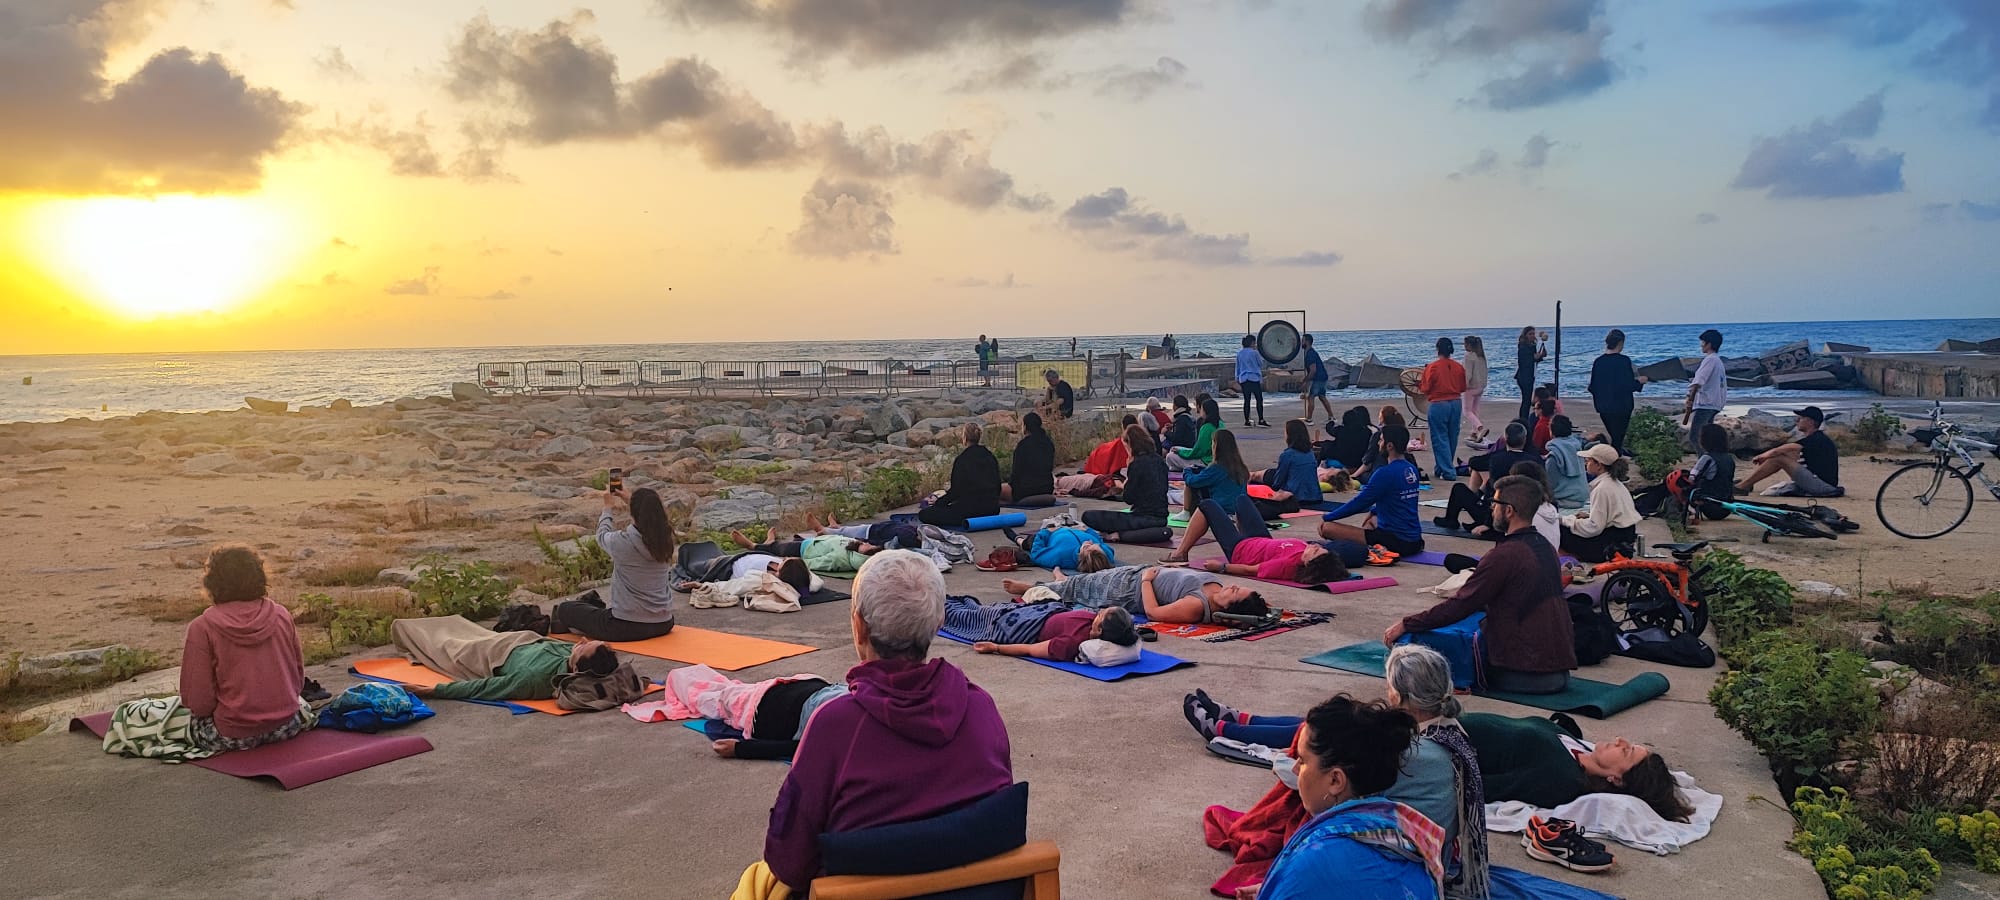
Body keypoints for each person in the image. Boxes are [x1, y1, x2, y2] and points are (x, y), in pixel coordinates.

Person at [749, 551, 1013, 894]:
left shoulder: (834, 727)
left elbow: (788, 861)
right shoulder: (981, 709)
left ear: (859, 626)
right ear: (937, 622)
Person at [1186, 645, 1489, 898]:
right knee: (1316, 733)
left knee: (1310, 742)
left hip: (1402, 851)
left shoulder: (1320, 858)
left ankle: (1228, 726)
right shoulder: (1451, 735)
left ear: (1397, 696)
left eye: (1388, 687)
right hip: (1421, 852)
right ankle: (1235, 722)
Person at [1390, 475, 1576, 694]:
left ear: (1509, 511)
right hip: (1559, 671)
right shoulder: (1545, 546)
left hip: (1524, 673)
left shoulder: (1506, 554)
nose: (1491, 510)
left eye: (1494, 504)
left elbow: (1459, 606)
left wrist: (1406, 624)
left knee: (1411, 642)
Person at [1249, 696, 1446, 900]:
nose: (1295, 768)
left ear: (1335, 780)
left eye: (1303, 760)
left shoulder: (1314, 862)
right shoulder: (1403, 831)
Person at [180, 545, 314, 752]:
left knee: (180, 720)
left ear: (212, 582)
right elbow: (297, 679)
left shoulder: (202, 627)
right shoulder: (281, 615)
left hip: (231, 735)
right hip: (287, 726)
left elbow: (198, 703)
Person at [1462, 712, 1694, 822]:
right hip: (1446, 718)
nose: (1620, 740)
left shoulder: (1563, 779)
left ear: (1616, 778)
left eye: (1626, 751)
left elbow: (1487, 787)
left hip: (1438, 740)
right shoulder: (1580, 748)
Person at [553, 487, 678, 641]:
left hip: (625, 625)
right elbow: (650, 518)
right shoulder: (666, 541)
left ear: (635, 513)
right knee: (591, 609)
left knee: (565, 609)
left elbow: (601, 535)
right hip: (664, 622)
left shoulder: (624, 542)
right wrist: (630, 501)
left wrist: (607, 508)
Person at [397, 617, 619, 702]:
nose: (579, 641)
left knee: (437, 640)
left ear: (577, 668)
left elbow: (485, 687)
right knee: (458, 623)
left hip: (489, 653)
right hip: (513, 640)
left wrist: (432, 691)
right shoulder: (572, 657)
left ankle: (407, 628)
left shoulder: (534, 679)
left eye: (581, 647)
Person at [999, 565, 1267, 625]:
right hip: (1137, 575)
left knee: (1084, 590)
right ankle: (1061, 581)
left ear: (1229, 611)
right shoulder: (1217, 592)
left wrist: (1147, 581)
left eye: (1234, 594)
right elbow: (1260, 608)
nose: (1231, 588)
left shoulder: (1195, 606)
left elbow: (1153, 613)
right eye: (1236, 586)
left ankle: (1031, 587)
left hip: (1132, 588)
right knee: (1085, 582)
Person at [1169, 494, 1351, 582]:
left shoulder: (1286, 565)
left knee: (1207, 505)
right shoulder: (1305, 552)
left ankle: (1180, 553)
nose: (1314, 546)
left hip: (1240, 549)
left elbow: (1251, 570)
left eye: (1315, 551)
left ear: (1307, 564)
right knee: (1241, 499)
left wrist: (1222, 567)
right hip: (1262, 540)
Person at [690, 671, 850, 762]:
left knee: (703, 695)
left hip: (767, 709)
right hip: (801, 687)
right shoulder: (869, 695)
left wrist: (740, 749)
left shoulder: (852, 733)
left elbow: (805, 748)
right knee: (713, 691)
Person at [1318, 424, 1425, 557]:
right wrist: (1374, 511)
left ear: (1389, 446)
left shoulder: (1384, 473)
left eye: (1381, 440)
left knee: (1326, 528)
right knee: (1372, 518)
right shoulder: (1411, 469)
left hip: (1396, 542)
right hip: (1415, 540)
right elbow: (1399, 500)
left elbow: (1360, 503)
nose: (1379, 443)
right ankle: (1369, 541)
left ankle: (1371, 545)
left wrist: (1328, 517)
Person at [945, 597, 1140, 662]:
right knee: (978, 607)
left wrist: (996, 647)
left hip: (1022, 626)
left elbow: (1030, 649)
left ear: (1099, 631)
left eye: (1100, 616)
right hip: (1039, 611)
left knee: (968, 618)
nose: (1098, 612)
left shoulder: (1070, 643)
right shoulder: (1094, 624)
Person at [1434, 422, 1533, 533]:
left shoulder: (1499, 459)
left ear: (1505, 438)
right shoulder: (1534, 460)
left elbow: (1494, 491)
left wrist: (1488, 523)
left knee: (1459, 489)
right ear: (1524, 439)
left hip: (1498, 514)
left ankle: (1451, 519)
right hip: (1525, 514)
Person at [1082, 425, 1171, 540]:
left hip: (1142, 517)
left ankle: (1122, 535)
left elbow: (1128, 498)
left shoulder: (1136, 464)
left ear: (1130, 445)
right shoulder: (1159, 460)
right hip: (1162, 516)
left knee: (1089, 516)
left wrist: (1129, 473)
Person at [1735, 406, 1843, 497]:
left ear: (1810, 422)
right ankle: (1746, 483)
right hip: (1819, 483)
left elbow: (1782, 449)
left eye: (1801, 418)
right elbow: (1790, 454)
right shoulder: (1815, 439)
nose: (1797, 421)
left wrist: (1763, 456)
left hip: (1823, 487)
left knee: (1779, 458)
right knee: (1781, 457)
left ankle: (1742, 487)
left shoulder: (1816, 439)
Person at [1561, 444, 1641, 563]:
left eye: (1588, 461)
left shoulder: (1602, 489)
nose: (1585, 464)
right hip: (1624, 538)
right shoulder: (1616, 483)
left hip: (1609, 545)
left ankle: (1568, 561)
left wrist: (1569, 521)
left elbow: (1594, 528)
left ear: (1599, 465)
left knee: (1561, 529)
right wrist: (1588, 516)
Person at [918, 423, 1001, 528]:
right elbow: (998, 485)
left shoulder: (962, 459)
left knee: (925, 514)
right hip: (992, 509)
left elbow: (955, 491)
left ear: (964, 438)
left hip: (970, 510)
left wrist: (938, 503)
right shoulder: (990, 457)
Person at [1588, 329, 1646, 452]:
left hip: (1603, 406)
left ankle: (1614, 457)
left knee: (1615, 437)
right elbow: (1627, 385)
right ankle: (1614, 462)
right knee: (1618, 438)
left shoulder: (1598, 361)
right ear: (1620, 342)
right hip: (1622, 406)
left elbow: (1592, 386)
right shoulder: (1623, 361)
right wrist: (1639, 382)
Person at [1420, 337, 1467, 481]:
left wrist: (1419, 384)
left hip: (1439, 403)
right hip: (1456, 402)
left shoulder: (1432, 367)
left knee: (1440, 438)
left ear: (1437, 349)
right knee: (1452, 436)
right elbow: (1463, 387)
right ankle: (1442, 467)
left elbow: (1426, 388)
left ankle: (1447, 470)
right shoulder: (1458, 367)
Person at [728, 531, 877, 575]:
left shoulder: (841, 559)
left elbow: (819, 563)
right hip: (812, 542)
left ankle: (753, 545)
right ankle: (768, 543)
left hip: (804, 550)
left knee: (781, 548)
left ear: (862, 556)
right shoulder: (855, 545)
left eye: (868, 547)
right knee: (789, 542)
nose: (867, 544)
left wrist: (797, 562)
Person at [1257, 419, 1324, 505]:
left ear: (1290, 435)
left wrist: (1274, 489)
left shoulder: (1287, 455)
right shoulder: (1310, 453)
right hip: (1315, 496)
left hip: (1295, 496)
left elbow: (1278, 481)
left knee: (1265, 477)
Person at [1001, 412, 1055, 502]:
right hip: (1047, 487)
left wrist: (1011, 486)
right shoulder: (1048, 443)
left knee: (998, 490)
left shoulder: (1023, 445)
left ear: (1025, 427)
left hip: (1026, 490)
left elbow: (1016, 472)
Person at [1685, 328, 1726, 447]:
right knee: (1707, 438)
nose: (1701, 345)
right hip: (1714, 403)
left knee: (1695, 437)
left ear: (1709, 344)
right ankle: (1709, 460)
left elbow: (1698, 382)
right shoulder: (1717, 360)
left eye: (1703, 342)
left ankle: (1705, 461)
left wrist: (1690, 398)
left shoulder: (1710, 360)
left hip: (1706, 404)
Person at [1688, 423, 1736, 519]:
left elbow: (1692, 478)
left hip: (1709, 506)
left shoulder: (1707, 458)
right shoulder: (1729, 458)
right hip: (1727, 506)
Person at [803, 515, 921, 552]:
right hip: (878, 530)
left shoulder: (908, 536)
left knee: (850, 533)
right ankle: (835, 528)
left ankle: (826, 531)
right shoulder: (912, 533)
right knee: (851, 530)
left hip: (872, 533)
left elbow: (889, 544)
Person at [1543, 415, 1590, 508]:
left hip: (1564, 500)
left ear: (1551, 432)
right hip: (1582, 496)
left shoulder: (1553, 457)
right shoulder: (1577, 447)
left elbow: (1550, 485)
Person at [1167, 397, 1226, 471]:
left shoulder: (1207, 427)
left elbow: (1199, 451)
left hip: (1206, 461)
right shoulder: (1221, 424)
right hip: (1217, 459)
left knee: (1170, 456)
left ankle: (1190, 468)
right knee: (1176, 449)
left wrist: (1181, 452)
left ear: (1205, 411)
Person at [1320, 405, 1374, 471]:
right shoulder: (1367, 432)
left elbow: (1330, 429)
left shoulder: (1341, 430)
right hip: (1359, 462)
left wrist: (1331, 423)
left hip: (1342, 462)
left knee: (1326, 446)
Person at [1233, 335, 1268, 427]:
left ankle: (1247, 420)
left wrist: (1237, 378)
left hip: (1244, 378)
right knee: (1259, 399)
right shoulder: (1254, 352)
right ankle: (1261, 419)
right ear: (1252, 343)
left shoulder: (1240, 353)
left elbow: (1238, 367)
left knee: (1247, 400)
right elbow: (1260, 363)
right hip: (1254, 377)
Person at [1515, 325, 1547, 421]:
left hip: (1530, 375)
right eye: (1530, 334)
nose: (1532, 336)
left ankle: (1524, 418)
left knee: (1527, 400)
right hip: (1524, 376)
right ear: (1525, 335)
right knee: (1526, 400)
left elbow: (1534, 360)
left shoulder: (1532, 346)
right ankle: (1523, 419)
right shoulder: (1523, 347)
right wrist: (1535, 357)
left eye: (1533, 334)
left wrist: (1540, 356)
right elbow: (1524, 362)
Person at [1300, 333, 1334, 424]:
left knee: (1311, 397)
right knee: (1322, 396)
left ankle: (1309, 419)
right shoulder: (1312, 352)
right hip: (1323, 376)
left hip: (1317, 378)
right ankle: (1331, 417)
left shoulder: (1310, 354)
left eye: (1302, 340)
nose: (1301, 342)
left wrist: (1305, 381)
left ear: (1307, 342)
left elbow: (1313, 370)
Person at [1462, 335, 1488, 443]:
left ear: (1469, 345)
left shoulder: (1468, 356)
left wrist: (1464, 385)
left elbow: (1467, 373)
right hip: (1480, 386)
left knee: (1467, 411)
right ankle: (1474, 433)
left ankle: (1479, 427)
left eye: (1465, 344)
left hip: (1471, 387)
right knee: (1474, 410)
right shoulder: (1481, 356)